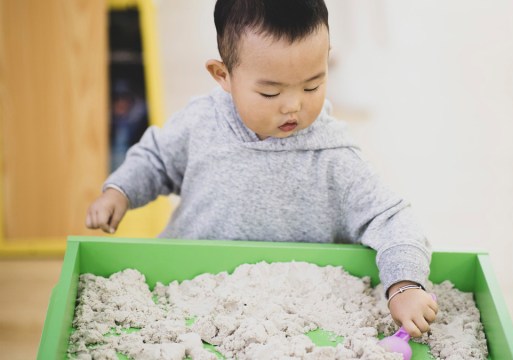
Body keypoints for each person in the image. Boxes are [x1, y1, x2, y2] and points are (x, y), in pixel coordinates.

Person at [85, 0, 438, 338]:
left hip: (295, 318)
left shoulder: (334, 156)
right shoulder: (201, 123)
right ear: (222, 74)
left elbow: (391, 218)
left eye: (312, 85)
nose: (293, 105)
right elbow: (156, 159)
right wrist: (120, 190)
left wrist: (403, 283)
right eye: (270, 93)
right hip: (190, 296)